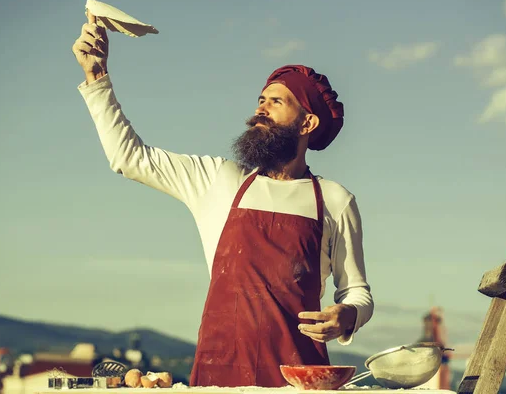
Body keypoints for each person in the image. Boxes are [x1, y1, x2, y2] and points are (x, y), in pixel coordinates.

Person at [72, 20, 374, 388]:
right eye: (261, 100)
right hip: (218, 378)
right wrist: (97, 77)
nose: (261, 109)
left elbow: (356, 290)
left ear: (307, 122)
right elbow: (128, 157)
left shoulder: (334, 200)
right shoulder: (219, 179)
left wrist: (347, 315)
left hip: (299, 382)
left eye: (276, 102)